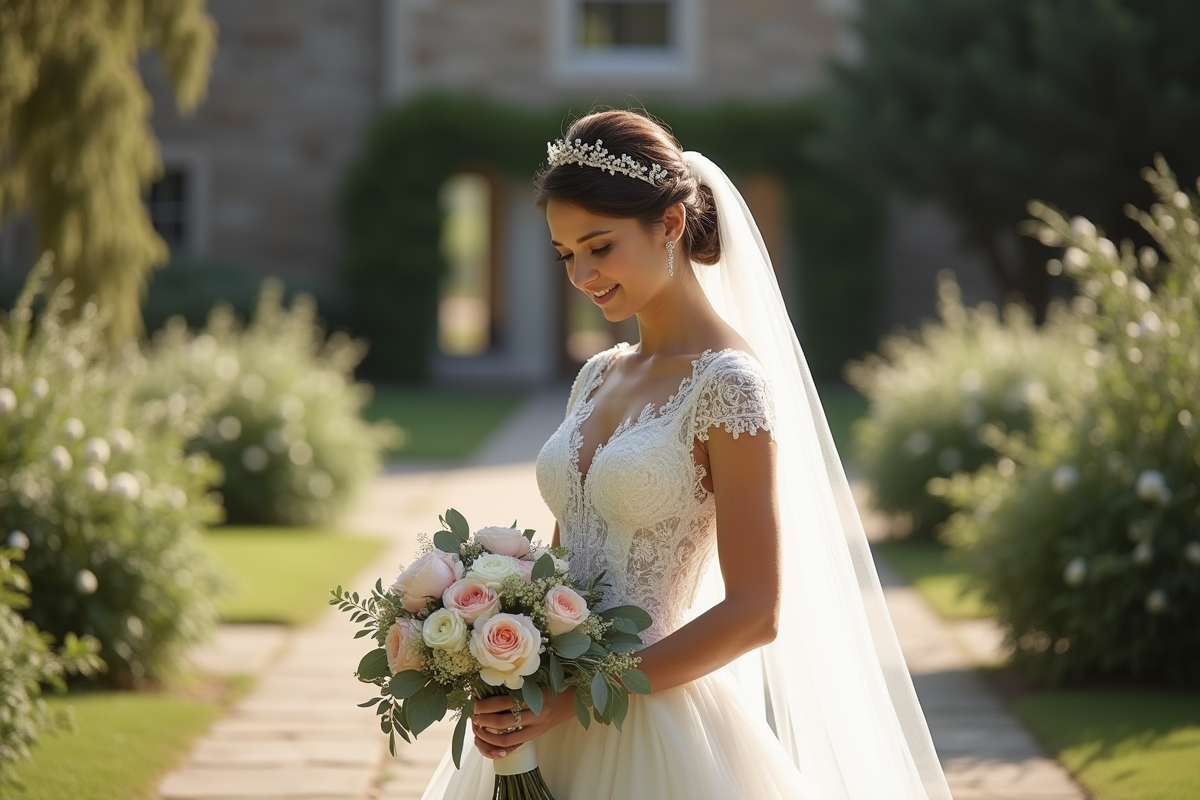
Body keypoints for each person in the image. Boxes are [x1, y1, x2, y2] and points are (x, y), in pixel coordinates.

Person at [421, 110, 953, 800]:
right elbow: (562, 571)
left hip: (649, 726)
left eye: (600, 247)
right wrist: (497, 645)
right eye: (565, 253)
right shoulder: (599, 374)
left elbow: (757, 611)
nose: (581, 274)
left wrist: (575, 697)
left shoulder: (728, 384)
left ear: (670, 225)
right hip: (544, 719)